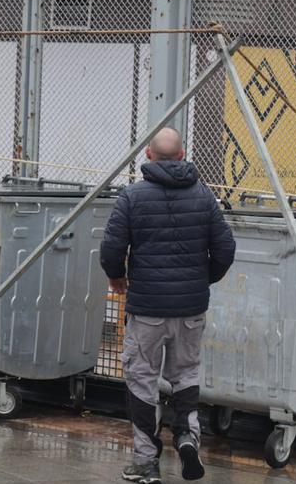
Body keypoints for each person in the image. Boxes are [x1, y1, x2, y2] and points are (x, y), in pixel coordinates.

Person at [99, 127, 236, 484]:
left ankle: (146, 461)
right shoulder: (204, 196)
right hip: (190, 309)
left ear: (147, 155)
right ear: (181, 155)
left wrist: (117, 278)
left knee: (141, 379)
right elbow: (226, 249)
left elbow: (111, 249)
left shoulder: (132, 197)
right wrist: (203, 280)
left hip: (146, 310)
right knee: (186, 374)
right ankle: (188, 437)